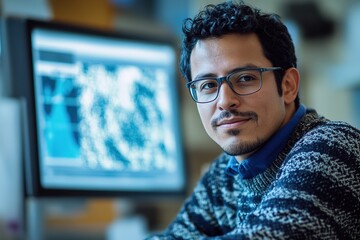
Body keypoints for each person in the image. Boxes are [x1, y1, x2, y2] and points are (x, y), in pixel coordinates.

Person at [146, 1, 360, 239]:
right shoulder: (224, 177)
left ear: (288, 85)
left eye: (245, 78)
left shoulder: (333, 147)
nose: (225, 101)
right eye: (207, 85)